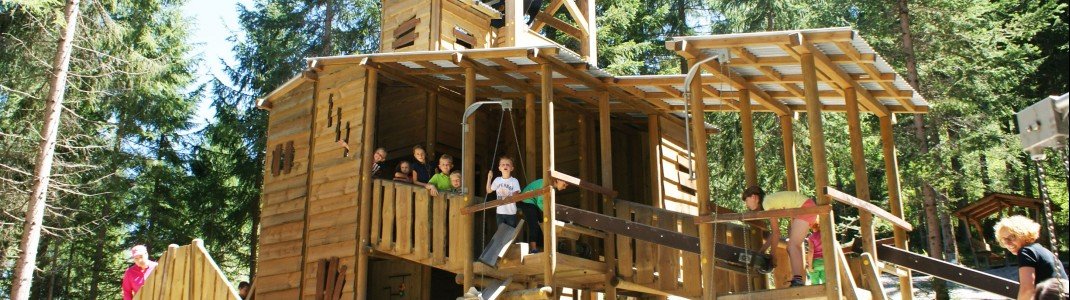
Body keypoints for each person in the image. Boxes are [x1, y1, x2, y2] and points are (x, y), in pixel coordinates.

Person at [742, 186, 819, 287]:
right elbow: (775, 233)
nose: (746, 204)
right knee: (792, 246)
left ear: (754, 197)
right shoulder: (768, 202)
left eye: (746, 200)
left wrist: (772, 254)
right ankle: (797, 279)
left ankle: (798, 280)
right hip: (807, 207)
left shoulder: (767, 203)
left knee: (792, 246)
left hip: (805, 208)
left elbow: (776, 232)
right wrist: (763, 250)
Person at [994, 215, 1068, 300]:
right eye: (1004, 239)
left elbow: (1027, 290)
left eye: (1012, 237)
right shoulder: (1041, 251)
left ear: (1024, 234)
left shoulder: (1026, 252)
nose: (1007, 243)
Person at [517, 178, 568, 253]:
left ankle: (541, 247)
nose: (565, 187)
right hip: (527, 201)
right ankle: (533, 249)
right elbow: (540, 202)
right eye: (564, 184)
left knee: (540, 223)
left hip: (532, 202)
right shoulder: (547, 184)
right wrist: (550, 213)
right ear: (558, 180)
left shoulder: (551, 187)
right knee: (534, 224)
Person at [486, 156, 522, 227]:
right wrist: (489, 178)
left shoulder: (514, 181)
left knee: (511, 232)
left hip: (511, 212)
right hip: (500, 212)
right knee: (501, 232)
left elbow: (516, 196)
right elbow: (489, 190)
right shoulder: (497, 180)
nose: (505, 166)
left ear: (512, 168)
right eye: (503, 164)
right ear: (499, 168)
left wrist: (508, 197)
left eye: (508, 164)